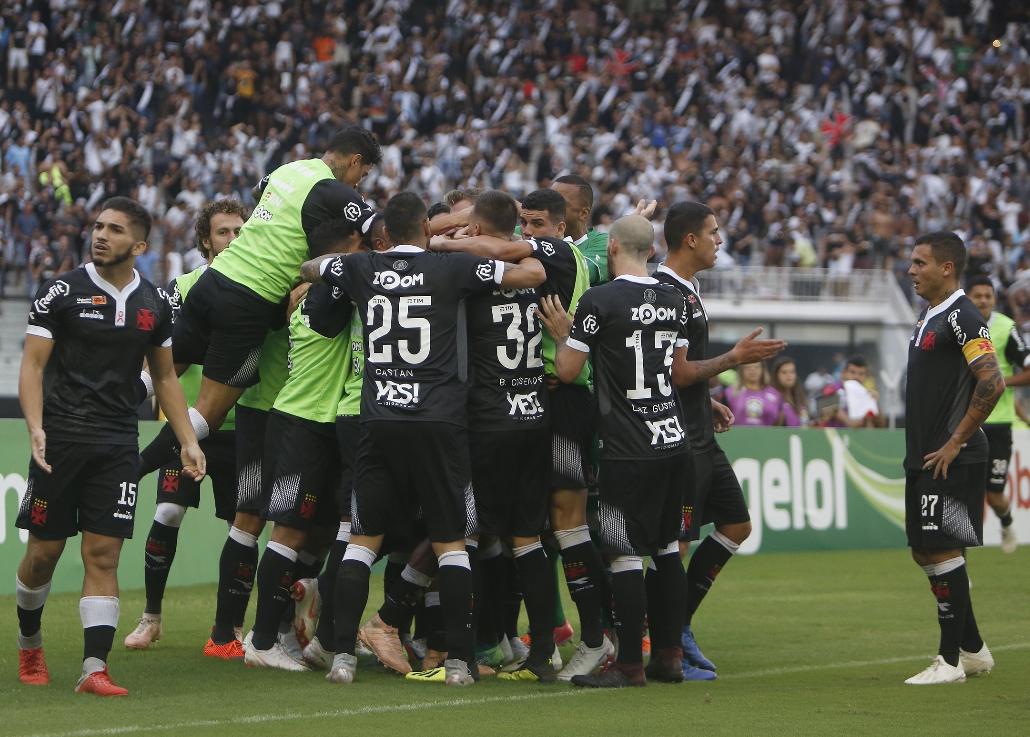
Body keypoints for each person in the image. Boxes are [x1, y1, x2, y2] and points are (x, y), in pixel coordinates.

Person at [299, 192, 545, 687]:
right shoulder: (448, 268)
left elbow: (310, 268)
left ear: (385, 232)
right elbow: (533, 275)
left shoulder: (365, 267)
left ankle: (343, 659)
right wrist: (456, 249)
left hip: (379, 420)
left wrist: (354, 265)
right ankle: (457, 663)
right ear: (425, 232)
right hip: (439, 420)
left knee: (361, 543)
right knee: (453, 543)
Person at [15, 197, 206, 696]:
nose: (100, 235)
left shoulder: (155, 303)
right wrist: (35, 426)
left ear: (139, 245)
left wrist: (187, 440)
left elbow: (165, 377)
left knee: (103, 554)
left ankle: (93, 668)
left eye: (114, 230)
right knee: (44, 555)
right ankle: (29, 641)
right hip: (59, 439)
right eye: (98, 226)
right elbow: (33, 366)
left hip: (118, 440)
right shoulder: (60, 291)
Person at [430, 188, 614, 680]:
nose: (529, 234)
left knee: (465, 534)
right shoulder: (540, 273)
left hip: (492, 417)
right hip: (536, 410)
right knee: (528, 535)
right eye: (524, 224)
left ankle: (461, 656)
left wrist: (445, 243)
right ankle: (541, 653)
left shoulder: (486, 267)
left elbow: (490, 253)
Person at [137, 128, 381, 477]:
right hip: (246, 303)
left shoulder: (289, 169)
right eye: (363, 174)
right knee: (210, 412)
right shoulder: (333, 190)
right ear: (356, 161)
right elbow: (379, 230)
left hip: (214, 278)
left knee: (161, 373)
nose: (359, 183)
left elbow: (258, 192)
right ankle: (130, 469)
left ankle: (98, 416)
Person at [539, 215, 691, 688]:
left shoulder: (598, 300)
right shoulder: (675, 299)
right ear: (651, 250)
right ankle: (669, 657)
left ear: (611, 251)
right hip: (672, 438)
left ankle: (628, 665)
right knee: (667, 550)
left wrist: (565, 333)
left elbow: (566, 371)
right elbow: (679, 369)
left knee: (624, 554)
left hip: (627, 445)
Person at [655, 200, 785, 679]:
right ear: (690, 239)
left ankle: (679, 622)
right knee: (678, 544)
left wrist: (706, 399)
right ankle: (664, 642)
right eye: (714, 232)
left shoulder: (687, 289)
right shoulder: (665, 292)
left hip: (700, 431)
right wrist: (734, 358)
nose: (720, 240)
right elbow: (676, 370)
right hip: (680, 442)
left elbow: (673, 371)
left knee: (736, 525)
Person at [125, 199, 249, 651]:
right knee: (168, 512)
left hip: (243, 428)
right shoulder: (181, 290)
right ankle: (151, 618)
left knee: (244, 528)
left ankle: (229, 631)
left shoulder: (266, 287)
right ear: (204, 240)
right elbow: (161, 364)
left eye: (240, 231)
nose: (233, 240)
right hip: (187, 430)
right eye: (223, 233)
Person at [244, 217, 366, 671]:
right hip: (301, 422)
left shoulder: (318, 290)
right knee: (288, 533)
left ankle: (282, 629)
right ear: (346, 249)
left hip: (322, 422)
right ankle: (260, 641)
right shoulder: (325, 293)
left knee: (318, 531)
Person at [903, 231, 1001, 684]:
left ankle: (950, 662)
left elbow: (992, 382)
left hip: (952, 455)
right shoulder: (930, 313)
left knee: (942, 547)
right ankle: (974, 649)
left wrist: (957, 441)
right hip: (927, 454)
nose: (911, 270)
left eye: (920, 263)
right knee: (926, 550)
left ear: (946, 269)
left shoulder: (963, 315)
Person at [966, 275, 1029, 554]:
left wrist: (999, 382)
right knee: (963, 493)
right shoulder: (959, 327)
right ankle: (958, 556)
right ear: (968, 297)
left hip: (998, 425)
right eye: (977, 295)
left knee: (993, 496)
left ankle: (1005, 521)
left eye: (988, 295)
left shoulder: (1006, 328)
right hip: (965, 423)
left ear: (994, 299)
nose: (982, 300)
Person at [771, 356, 810, 427]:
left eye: (792, 372)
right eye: (784, 372)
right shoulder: (772, 398)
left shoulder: (801, 399)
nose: (789, 376)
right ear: (776, 375)